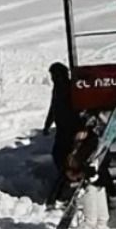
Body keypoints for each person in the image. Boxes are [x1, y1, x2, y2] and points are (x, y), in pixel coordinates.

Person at [62, 111, 116, 229]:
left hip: (98, 183)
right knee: (90, 220)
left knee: (103, 218)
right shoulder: (80, 144)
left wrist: (111, 190)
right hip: (86, 184)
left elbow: (103, 167)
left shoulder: (98, 143)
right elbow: (73, 163)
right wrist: (84, 171)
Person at [43, 62, 77, 205]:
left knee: (64, 158)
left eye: (54, 75)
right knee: (59, 157)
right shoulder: (57, 89)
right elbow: (53, 107)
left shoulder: (69, 87)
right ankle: (65, 184)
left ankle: (67, 187)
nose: (52, 78)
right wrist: (47, 124)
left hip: (71, 129)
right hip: (61, 129)